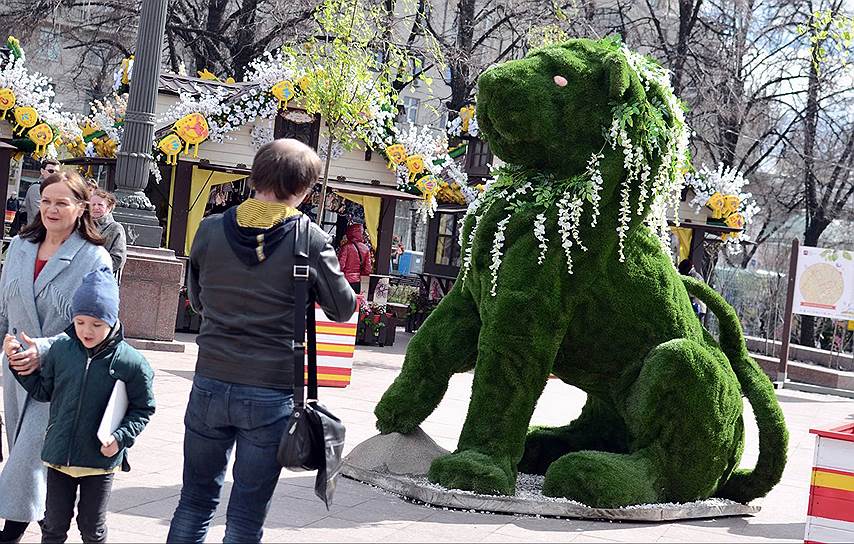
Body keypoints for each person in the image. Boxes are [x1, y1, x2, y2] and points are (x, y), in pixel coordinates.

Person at [167, 139, 357, 544]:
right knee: (246, 518)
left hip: (210, 381)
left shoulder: (210, 229)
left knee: (194, 501)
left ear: (254, 177)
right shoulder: (311, 239)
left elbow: (197, 301)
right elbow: (342, 309)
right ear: (304, 189)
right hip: (271, 391)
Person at [0, 171, 112, 543]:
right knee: (24, 455)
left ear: (81, 207)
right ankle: (48, 526)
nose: (51, 209)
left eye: (62, 202)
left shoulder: (94, 258)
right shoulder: (19, 246)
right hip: (14, 368)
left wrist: (43, 350)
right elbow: (4, 308)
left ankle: (10, 533)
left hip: (59, 374)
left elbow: (99, 324)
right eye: (46, 201)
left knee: (27, 460)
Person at [6, 268, 155, 544]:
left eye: (97, 324)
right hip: (59, 458)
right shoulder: (62, 350)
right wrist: (18, 365)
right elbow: (43, 390)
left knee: (92, 529)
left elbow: (143, 408)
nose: (87, 331)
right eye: (80, 322)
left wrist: (120, 438)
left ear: (112, 321)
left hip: (99, 462)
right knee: (52, 527)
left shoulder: (131, 363)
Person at [90, 190, 127, 275]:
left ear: (109, 207)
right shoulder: (83, 226)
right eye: (93, 205)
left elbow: (118, 259)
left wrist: (96, 271)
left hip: (101, 279)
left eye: (100, 205)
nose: (96, 207)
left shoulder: (116, 228)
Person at [22, 159, 60, 226]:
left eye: (57, 172)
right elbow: (39, 214)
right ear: (42, 171)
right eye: (51, 171)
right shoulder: (36, 188)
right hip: (36, 233)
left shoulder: (54, 189)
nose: (54, 174)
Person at [337, 222, 373, 293]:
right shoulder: (366, 248)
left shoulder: (346, 247)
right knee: (355, 301)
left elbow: (340, 266)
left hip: (344, 280)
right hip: (357, 282)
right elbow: (368, 270)